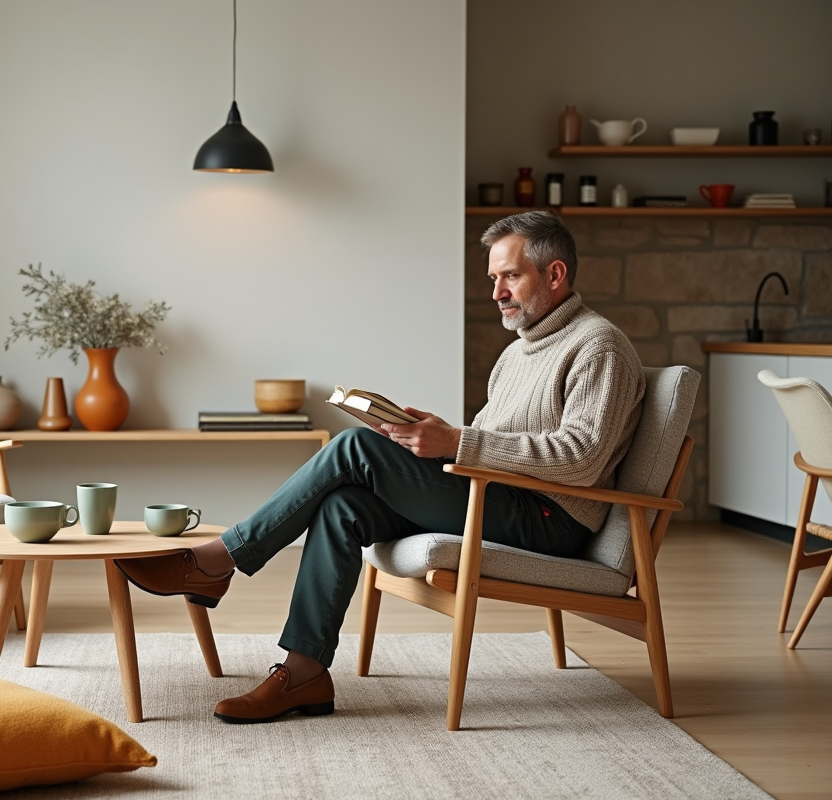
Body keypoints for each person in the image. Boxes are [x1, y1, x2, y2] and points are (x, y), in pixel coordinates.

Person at [116, 210, 645, 724]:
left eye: (510, 276)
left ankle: (217, 560)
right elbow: (498, 439)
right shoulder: (518, 353)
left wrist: (456, 441)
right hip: (502, 497)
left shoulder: (598, 346)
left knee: (356, 448)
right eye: (493, 278)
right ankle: (303, 673)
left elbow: (580, 459)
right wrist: (439, 435)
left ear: (555, 274)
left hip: (552, 520)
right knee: (345, 506)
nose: (497, 293)